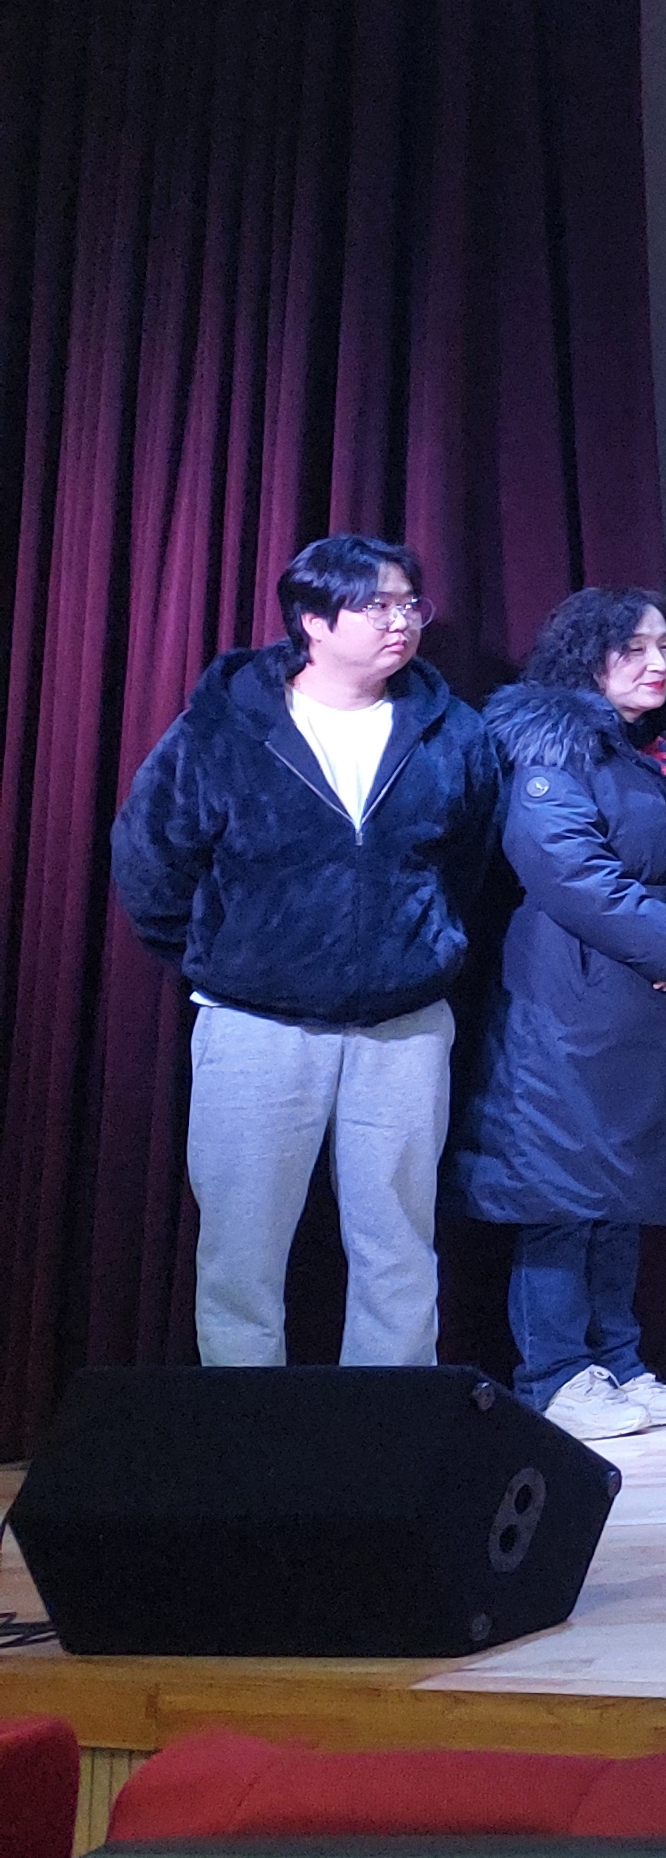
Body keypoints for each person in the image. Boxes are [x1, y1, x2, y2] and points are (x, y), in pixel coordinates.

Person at [112, 535, 507, 1368]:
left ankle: (389, 1429)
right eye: (377, 605)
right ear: (314, 622)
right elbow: (151, 858)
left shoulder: (454, 734)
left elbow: (469, 863)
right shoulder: (222, 728)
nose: (402, 622)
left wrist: (423, 945)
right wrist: (233, 956)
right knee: (242, 1250)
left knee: (399, 1244)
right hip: (257, 1024)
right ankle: (249, 1432)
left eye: (410, 604)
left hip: (403, 1023)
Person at [457, 589, 666, 1439]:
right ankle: (556, 1376)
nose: (658, 663)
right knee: (563, 1199)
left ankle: (620, 1363)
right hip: (570, 1004)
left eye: (665, 645)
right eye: (633, 649)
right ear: (585, 657)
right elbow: (571, 872)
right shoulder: (549, 747)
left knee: (624, 1195)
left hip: (661, 1003)